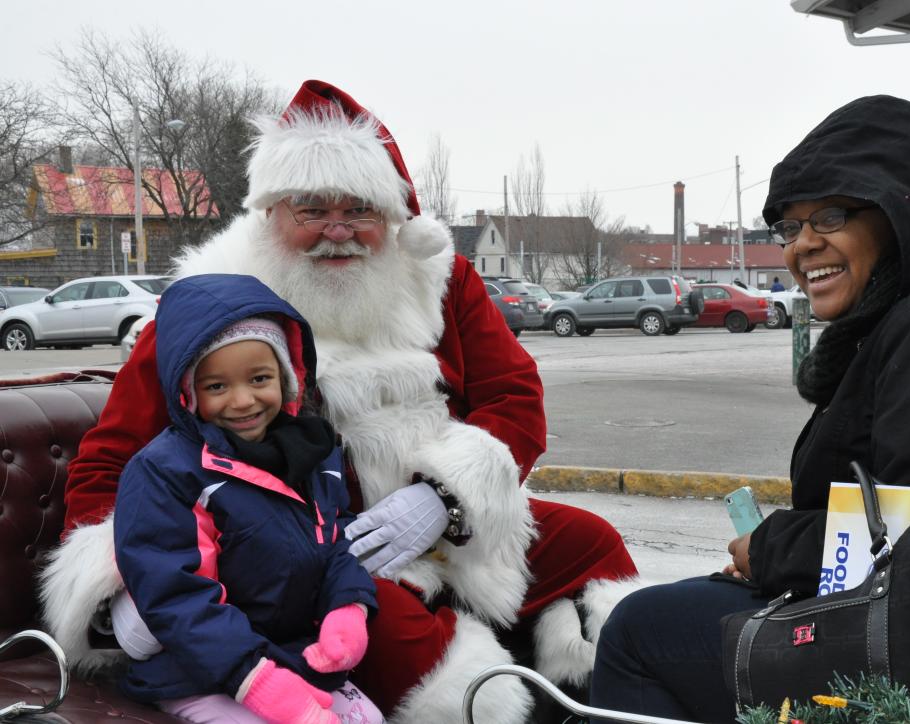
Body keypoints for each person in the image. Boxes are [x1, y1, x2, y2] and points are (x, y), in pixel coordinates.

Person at [41, 80, 642, 724]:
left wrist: (443, 497)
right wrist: (126, 584)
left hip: (444, 523)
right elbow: (114, 461)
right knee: (418, 653)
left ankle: (607, 696)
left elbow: (513, 396)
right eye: (310, 211)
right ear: (271, 214)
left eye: (359, 210)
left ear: (393, 214)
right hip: (311, 551)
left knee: (589, 541)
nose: (337, 232)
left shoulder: (440, 278)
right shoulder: (212, 302)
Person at [588, 94, 910, 722]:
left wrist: (770, 548)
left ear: (906, 212)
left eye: (828, 216)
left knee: (640, 630)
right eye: (790, 228)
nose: (802, 246)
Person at [112, 273, 381, 724]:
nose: (242, 401)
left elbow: (336, 537)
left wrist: (348, 608)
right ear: (188, 391)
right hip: (197, 669)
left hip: (293, 654)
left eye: (259, 378)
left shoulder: (312, 450)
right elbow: (176, 595)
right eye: (216, 386)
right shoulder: (166, 472)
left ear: (288, 377)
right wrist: (254, 679)